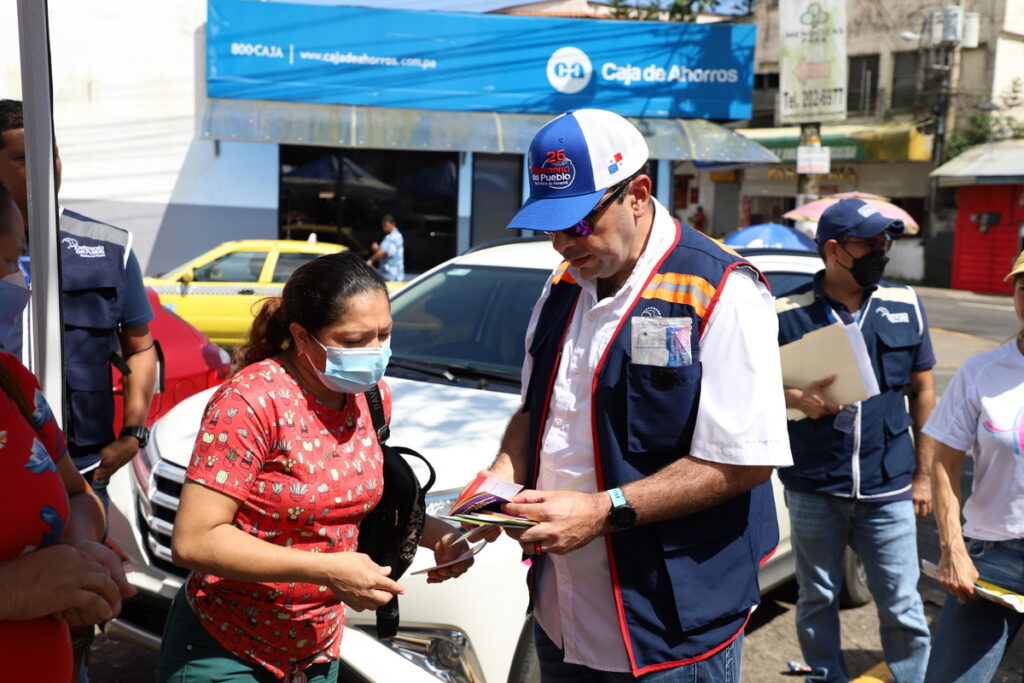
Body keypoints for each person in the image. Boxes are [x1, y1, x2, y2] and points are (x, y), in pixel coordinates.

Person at [479, 108, 791, 681]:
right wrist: (494, 489)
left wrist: (603, 511)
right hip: (563, 612)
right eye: (549, 226)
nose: (562, 244)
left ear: (639, 195)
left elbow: (744, 461)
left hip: (668, 627)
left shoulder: (721, 288)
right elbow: (535, 413)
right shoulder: (563, 286)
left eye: (577, 223)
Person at [160, 251, 474, 682]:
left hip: (317, 651)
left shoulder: (371, 396)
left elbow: (354, 500)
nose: (375, 352)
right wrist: (327, 568)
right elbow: (194, 539)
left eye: (384, 334)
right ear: (302, 337)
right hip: (229, 647)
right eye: (354, 340)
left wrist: (438, 536)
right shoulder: (250, 402)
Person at [775, 198, 935, 682]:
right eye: (869, 243)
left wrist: (924, 476)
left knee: (903, 603)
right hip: (813, 485)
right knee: (816, 598)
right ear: (834, 250)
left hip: (889, 486)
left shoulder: (904, 304)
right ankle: (825, 676)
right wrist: (796, 398)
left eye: (885, 242)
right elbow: (749, 389)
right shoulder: (784, 313)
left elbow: (923, 390)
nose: (881, 252)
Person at [0, 192, 135, 682]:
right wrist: (12, 591)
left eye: (15, 262)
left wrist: (77, 557)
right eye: (2, 264)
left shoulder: (12, 381)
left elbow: (78, 494)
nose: (15, 283)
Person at [0, 99, 158, 511]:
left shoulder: (108, 247)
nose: (46, 167)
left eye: (51, 153)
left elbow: (140, 348)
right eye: (24, 158)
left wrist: (133, 435)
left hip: (83, 474)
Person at [923, 251, 1024, 682]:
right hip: (990, 560)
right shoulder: (981, 371)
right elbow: (945, 464)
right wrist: (953, 549)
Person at [366, 213, 405, 281]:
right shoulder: (397, 236)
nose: (384, 228)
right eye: (383, 226)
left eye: (385, 226)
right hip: (395, 274)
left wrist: (371, 259)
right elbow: (389, 252)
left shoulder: (392, 237)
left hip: (390, 275)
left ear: (392, 224)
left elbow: (383, 252)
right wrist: (377, 249)